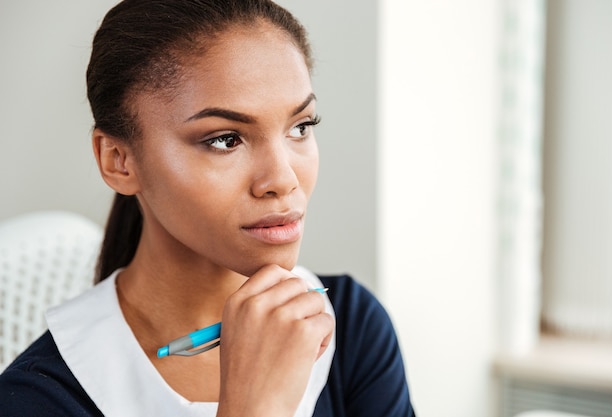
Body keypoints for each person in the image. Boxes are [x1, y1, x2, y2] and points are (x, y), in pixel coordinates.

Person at [0, 1, 416, 416]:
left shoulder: (352, 324)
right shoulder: (37, 398)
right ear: (118, 159)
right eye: (225, 139)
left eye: (300, 127)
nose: (283, 179)